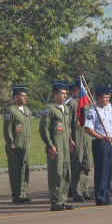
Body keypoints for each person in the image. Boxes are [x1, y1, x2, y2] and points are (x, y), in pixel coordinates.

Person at [39, 81, 75, 211]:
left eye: (66, 94)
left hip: (65, 146)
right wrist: (50, 145)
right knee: (56, 174)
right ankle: (55, 201)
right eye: (62, 93)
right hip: (56, 146)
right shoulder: (50, 109)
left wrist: (70, 140)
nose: (65, 96)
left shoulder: (66, 109)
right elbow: (44, 128)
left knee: (66, 173)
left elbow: (68, 128)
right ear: (55, 94)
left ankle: (63, 200)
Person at [84, 84, 112, 206]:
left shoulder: (109, 108)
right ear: (98, 98)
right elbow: (87, 128)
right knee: (101, 170)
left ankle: (106, 195)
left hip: (109, 142)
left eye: (108, 97)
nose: (107, 100)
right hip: (100, 143)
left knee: (108, 170)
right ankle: (100, 197)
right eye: (105, 97)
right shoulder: (93, 111)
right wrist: (101, 137)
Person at [3, 85, 32, 203]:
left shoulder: (27, 110)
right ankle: (16, 194)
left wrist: (29, 141)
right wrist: (11, 144)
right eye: (22, 96)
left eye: (26, 96)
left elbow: (29, 127)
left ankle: (23, 192)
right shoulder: (11, 110)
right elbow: (7, 129)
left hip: (25, 144)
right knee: (16, 170)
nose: (25, 98)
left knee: (25, 168)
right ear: (16, 96)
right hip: (15, 144)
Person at [67, 78, 93, 202]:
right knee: (76, 164)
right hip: (76, 136)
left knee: (86, 164)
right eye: (84, 88)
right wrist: (69, 140)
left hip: (86, 136)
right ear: (77, 90)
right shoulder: (71, 104)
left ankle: (84, 189)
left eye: (87, 89)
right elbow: (67, 124)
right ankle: (76, 192)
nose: (86, 90)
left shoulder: (88, 103)